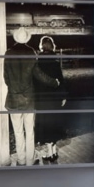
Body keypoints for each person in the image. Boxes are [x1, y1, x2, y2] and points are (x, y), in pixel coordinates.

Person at [3, 27, 59, 166]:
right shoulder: (31, 53)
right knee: (30, 132)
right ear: (27, 38)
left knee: (18, 132)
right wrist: (54, 82)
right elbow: (39, 75)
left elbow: (6, 78)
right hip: (29, 100)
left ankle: (21, 161)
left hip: (14, 99)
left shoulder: (8, 54)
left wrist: (14, 88)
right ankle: (30, 160)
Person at [33, 35, 67, 163]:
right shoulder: (56, 63)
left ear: (41, 47)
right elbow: (61, 81)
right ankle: (53, 153)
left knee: (45, 127)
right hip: (54, 100)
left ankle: (50, 153)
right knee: (53, 125)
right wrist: (63, 96)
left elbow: (35, 82)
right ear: (52, 47)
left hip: (42, 100)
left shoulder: (37, 63)